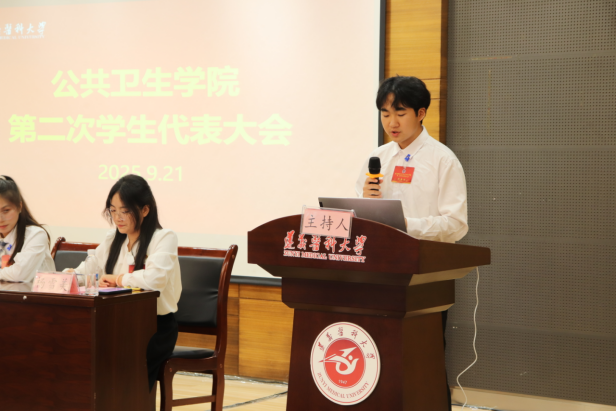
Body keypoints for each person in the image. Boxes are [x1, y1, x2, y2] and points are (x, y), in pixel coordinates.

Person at [355, 76, 468, 410]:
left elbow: (456, 224)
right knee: (379, 356)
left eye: (400, 113)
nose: (391, 122)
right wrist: (365, 202)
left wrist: (407, 226)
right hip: (379, 272)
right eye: (385, 113)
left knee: (422, 359)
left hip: (424, 276)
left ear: (421, 113)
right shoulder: (378, 158)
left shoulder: (443, 160)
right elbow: (360, 218)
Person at [69, 174, 181, 405]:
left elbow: (155, 279)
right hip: (115, 324)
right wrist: (68, 276)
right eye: (113, 211)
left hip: (154, 328)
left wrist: (118, 279)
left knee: (121, 363)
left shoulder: (163, 238)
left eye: (125, 211)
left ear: (145, 210)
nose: (117, 218)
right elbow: (88, 269)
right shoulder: (113, 238)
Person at [0, 175, 55, 282]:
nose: (1, 219)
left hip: (36, 293)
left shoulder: (36, 234)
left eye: (6, 211)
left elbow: (19, 274)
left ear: (19, 207)